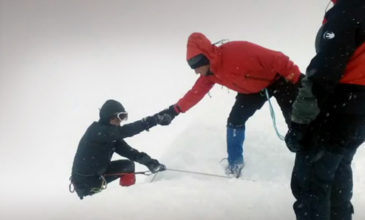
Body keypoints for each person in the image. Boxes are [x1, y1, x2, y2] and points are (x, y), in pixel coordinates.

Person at [162, 32, 303, 177]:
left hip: (281, 79)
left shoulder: (236, 51)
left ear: (204, 59)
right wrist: (175, 110)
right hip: (254, 90)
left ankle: (307, 162)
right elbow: (195, 93)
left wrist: (297, 80)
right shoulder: (210, 74)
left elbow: (278, 59)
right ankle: (235, 164)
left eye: (195, 66)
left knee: (297, 125)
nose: (196, 71)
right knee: (234, 122)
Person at [285, 0, 365, 219]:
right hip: (357, 114)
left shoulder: (348, 12)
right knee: (338, 168)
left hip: (339, 109)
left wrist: (299, 124)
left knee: (312, 181)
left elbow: (323, 71)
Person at [70, 99, 171, 199]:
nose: (120, 121)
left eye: (124, 117)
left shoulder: (111, 137)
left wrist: (151, 163)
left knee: (128, 166)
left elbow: (130, 153)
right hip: (84, 182)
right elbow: (126, 131)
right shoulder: (97, 131)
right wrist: (154, 120)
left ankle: (127, 198)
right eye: (119, 117)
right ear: (108, 116)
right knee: (96, 209)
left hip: (99, 173)